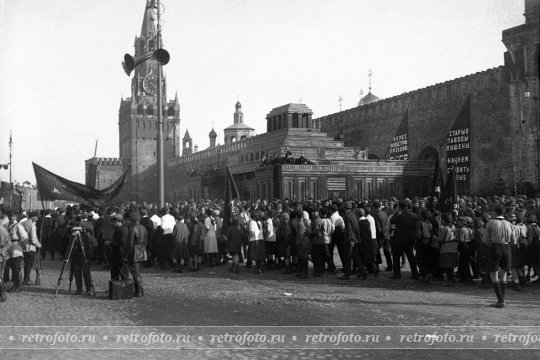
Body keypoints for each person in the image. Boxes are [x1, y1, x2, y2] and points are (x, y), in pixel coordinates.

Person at [485, 205, 514, 308]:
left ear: (494, 212)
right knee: (504, 274)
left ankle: (500, 301)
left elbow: (485, 239)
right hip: (506, 247)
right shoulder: (509, 224)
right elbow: (513, 240)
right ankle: (501, 300)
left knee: (494, 275)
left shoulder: (491, 223)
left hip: (495, 247)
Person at [389, 201, 419, 280]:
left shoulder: (400, 215)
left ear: (400, 207)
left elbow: (392, 220)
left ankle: (397, 274)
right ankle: (415, 274)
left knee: (396, 257)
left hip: (399, 238)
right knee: (410, 257)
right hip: (409, 238)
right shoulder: (413, 215)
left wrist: (397, 213)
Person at [339, 201, 366, 280]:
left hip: (351, 240)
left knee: (348, 257)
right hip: (356, 239)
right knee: (355, 257)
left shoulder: (347, 216)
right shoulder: (353, 214)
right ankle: (363, 272)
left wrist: (350, 239)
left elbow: (349, 229)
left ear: (344, 207)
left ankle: (347, 274)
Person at [68, 217, 94, 295]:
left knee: (86, 273)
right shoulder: (73, 234)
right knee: (77, 272)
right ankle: (79, 289)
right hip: (76, 255)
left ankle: (88, 289)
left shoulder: (87, 235)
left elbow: (91, 243)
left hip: (85, 255)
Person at [125, 211, 148, 297]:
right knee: (137, 272)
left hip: (134, 252)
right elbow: (146, 241)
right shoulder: (143, 228)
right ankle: (140, 290)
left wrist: (126, 253)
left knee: (135, 273)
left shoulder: (132, 228)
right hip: (142, 250)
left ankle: (139, 291)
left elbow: (129, 243)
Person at [7, 212, 27, 292]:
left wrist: (21, 246)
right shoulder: (8, 225)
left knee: (16, 268)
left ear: (16, 217)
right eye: (10, 216)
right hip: (10, 248)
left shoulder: (18, 226)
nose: (12, 217)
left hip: (16, 249)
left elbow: (24, 237)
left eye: (13, 216)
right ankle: (16, 285)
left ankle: (18, 286)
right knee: (13, 267)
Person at [20, 211, 41, 286]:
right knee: (29, 264)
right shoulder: (32, 224)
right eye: (37, 217)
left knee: (26, 263)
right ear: (33, 216)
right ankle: (26, 279)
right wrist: (39, 245)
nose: (38, 218)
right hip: (30, 247)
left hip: (23, 246)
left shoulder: (23, 223)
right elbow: (33, 238)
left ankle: (25, 279)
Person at [110, 214, 128, 281]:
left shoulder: (123, 230)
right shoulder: (117, 229)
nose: (112, 224)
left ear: (117, 221)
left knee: (123, 273)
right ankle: (115, 289)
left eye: (113, 222)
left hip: (121, 254)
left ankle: (124, 289)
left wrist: (111, 243)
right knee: (114, 272)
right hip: (116, 254)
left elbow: (122, 242)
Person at [0, 224, 10, 301]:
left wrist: (2, 250)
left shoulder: (2, 230)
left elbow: (8, 243)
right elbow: (9, 243)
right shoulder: (4, 230)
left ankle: (2, 294)